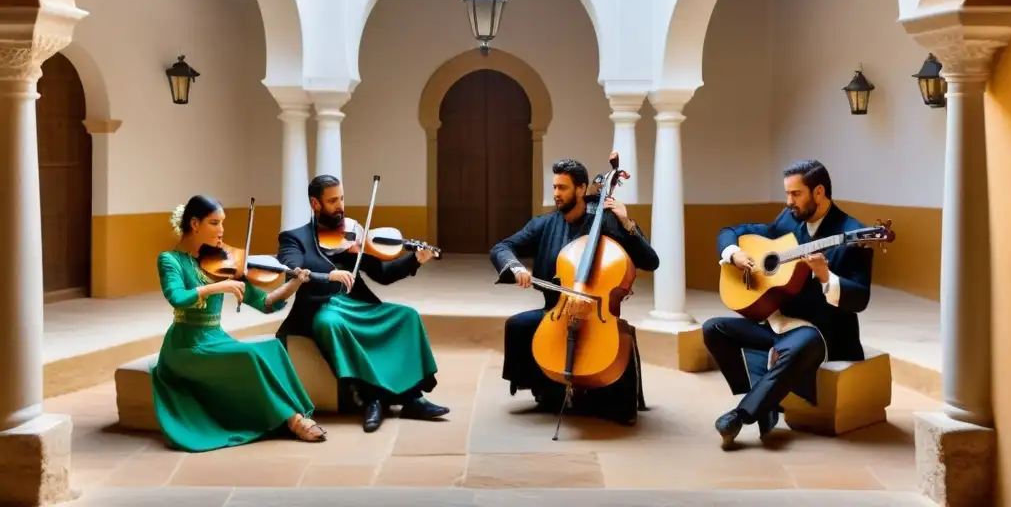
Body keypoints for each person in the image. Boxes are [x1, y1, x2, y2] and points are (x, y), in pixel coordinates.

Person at [702, 158, 873, 449]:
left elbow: (860, 298)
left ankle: (741, 415)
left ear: (818, 192)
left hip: (821, 332)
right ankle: (765, 403)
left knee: (799, 345)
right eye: (787, 194)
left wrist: (825, 277)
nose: (788, 202)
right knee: (713, 329)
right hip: (779, 323)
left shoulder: (852, 233)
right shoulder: (788, 220)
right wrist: (734, 254)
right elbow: (730, 231)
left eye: (795, 194)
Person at [489, 158, 659, 426]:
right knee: (519, 325)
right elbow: (503, 246)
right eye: (555, 187)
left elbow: (651, 262)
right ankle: (545, 388)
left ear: (581, 189)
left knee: (616, 393)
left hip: (599, 315)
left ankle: (610, 396)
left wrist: (627, 223)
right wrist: (515, 266)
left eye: (563, 188)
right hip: (557, 309)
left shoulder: (608, 222)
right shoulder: (544, 224)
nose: (556, 194)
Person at [151, 195, 327, 452]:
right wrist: (218, 287)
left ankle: (291, 413)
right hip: (186, 345)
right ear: (195, 223)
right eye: (214, 223)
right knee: (247, 354)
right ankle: (293, 421)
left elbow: (267, 303)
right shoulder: (170, 260)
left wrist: (294, 283)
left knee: (273, 348)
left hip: (215, 336)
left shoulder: (223, 260)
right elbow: (177, 298)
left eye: (222, 223)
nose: (221, 231)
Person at [276, 174, 449, 433]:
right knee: (330, 323)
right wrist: (329, 272)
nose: (340, 206)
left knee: (407, 316)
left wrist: (415, 259)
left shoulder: (351, 236)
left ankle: (413, 397)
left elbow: (384, 274)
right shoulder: (294, 238)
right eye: (332, 200)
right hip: (323, 307)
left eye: (342, 198)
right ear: (315, 204)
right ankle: (372, 399)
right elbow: (293, 267)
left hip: (357, 305)